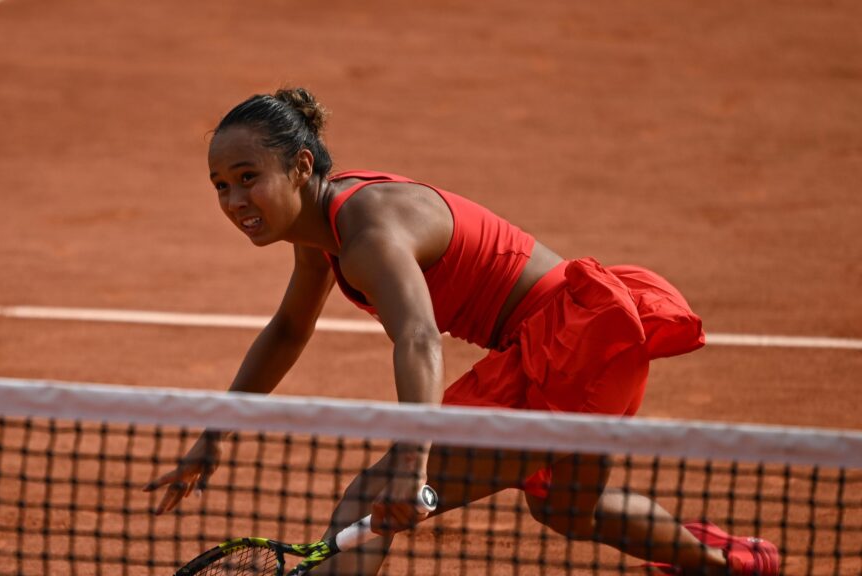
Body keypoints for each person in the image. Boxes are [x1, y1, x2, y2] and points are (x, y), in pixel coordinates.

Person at [143, 87, 780, 575]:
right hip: (594, 341)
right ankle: (733, 565)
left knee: (372, 492)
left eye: (248, 177)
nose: (233, 201)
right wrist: (212, 434)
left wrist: (411, 465)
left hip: (569, 347)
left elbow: (418, 337)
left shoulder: (368, 233)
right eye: (221, 186)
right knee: (566, 508)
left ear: (301, 166)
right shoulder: (321, 239)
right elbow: (287, 331)